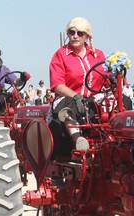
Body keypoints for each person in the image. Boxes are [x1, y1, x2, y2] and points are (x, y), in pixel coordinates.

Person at [49, 17, 105, 152]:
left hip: (93, 98)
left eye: (80, 33)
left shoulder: (98, 54)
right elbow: (57, 85)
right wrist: (76, 96)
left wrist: (115, 78)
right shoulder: (60, 54)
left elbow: (106, 79)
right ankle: (78, 139)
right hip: (69, 97)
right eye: (71, 32)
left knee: (120, 102)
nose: (75, 36)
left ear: (87, 36)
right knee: (70, 104)